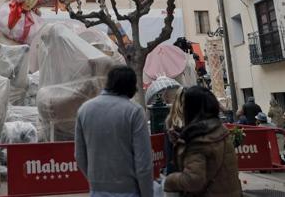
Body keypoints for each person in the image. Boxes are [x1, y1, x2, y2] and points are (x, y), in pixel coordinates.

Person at [75, 66, 153, 197]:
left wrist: (95, 181)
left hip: (97, 190)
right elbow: (143, 163)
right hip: (129, 191)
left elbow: (79, 156)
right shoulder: (134, 111)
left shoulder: (84, 110)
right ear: (130, 86)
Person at [164, 86, 242, 196]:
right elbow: (211, 161)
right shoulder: (219, 130)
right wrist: (180, 143)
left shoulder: (198, 141)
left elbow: (193, 180)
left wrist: (168, 181)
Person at [164, 87, 185, 175]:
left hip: (175, 172)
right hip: (186, 172)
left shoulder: (170, 121)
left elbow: (168, 154)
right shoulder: (193, 122)